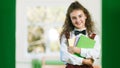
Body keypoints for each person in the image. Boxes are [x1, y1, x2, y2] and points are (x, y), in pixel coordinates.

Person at [60, 1, 101, 68]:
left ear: (85, 16)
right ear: (70, 19)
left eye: (80, 16)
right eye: (74, 18)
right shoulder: (66, 36)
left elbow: (96, 54)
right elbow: (64, 57)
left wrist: (77, 50)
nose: (78, 20)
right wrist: (84, 61)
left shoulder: (94, 36)